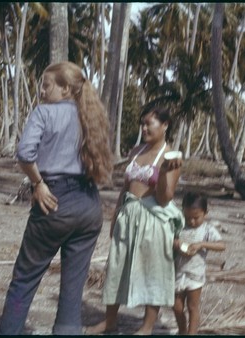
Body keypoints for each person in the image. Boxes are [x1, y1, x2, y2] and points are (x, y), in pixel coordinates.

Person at [0, 61, 112, 335]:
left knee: (24, 280)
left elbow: (25, 153)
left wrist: (38, 183)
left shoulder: (45, 113)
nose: (41, 90)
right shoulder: (91, 116)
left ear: (65, 89)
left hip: (55, 201)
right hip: (88, 205)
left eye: (47, 85)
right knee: (73, 290)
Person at [85, 106, 184, 335]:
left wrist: (166, 171)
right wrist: (115, 215)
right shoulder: (136, 151)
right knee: (116, 267)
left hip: (153, 221)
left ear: (165, 125)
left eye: (150, 123)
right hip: (127, 216)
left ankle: (147, 327)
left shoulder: (171, 157)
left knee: (153, 271)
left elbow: (164, 198)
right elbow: (125, 186)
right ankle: (109, 321)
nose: (145, 128)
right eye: (143, 123)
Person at [173, 192, 226, 335]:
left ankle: (192, 333)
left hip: (195, 274)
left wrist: (202, 244)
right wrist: (176, 244)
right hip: (178, 272)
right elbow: (169, 240)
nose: (191, 221)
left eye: (196, 218)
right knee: (176, 306)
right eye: (187, 217)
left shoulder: (207, 229)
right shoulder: (179, 226)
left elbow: (221, 245)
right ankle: (182, 330)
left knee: (192, 306)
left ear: (205, 213)